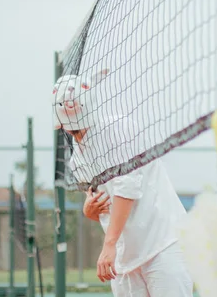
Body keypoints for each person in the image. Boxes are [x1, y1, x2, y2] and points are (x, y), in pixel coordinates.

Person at [52, 68, 193, 297]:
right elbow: (105, 206)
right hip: (125, 257)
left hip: (163, 242)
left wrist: (108, 245)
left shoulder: (120, 129)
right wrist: (89, 211)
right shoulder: (77, 159)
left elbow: (127, 188)